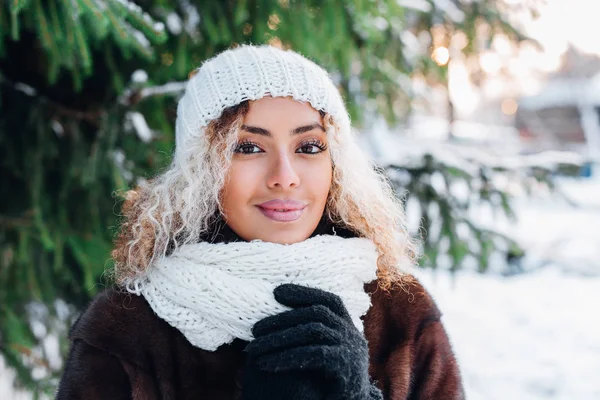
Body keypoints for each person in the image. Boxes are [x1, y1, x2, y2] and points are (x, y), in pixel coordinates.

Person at [56, 45, 464, 400]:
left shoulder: (399, 312)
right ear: (201, 171)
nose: (285, 175)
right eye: (248, 147)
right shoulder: (126, 330)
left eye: (309, 146)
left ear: (336, 163)